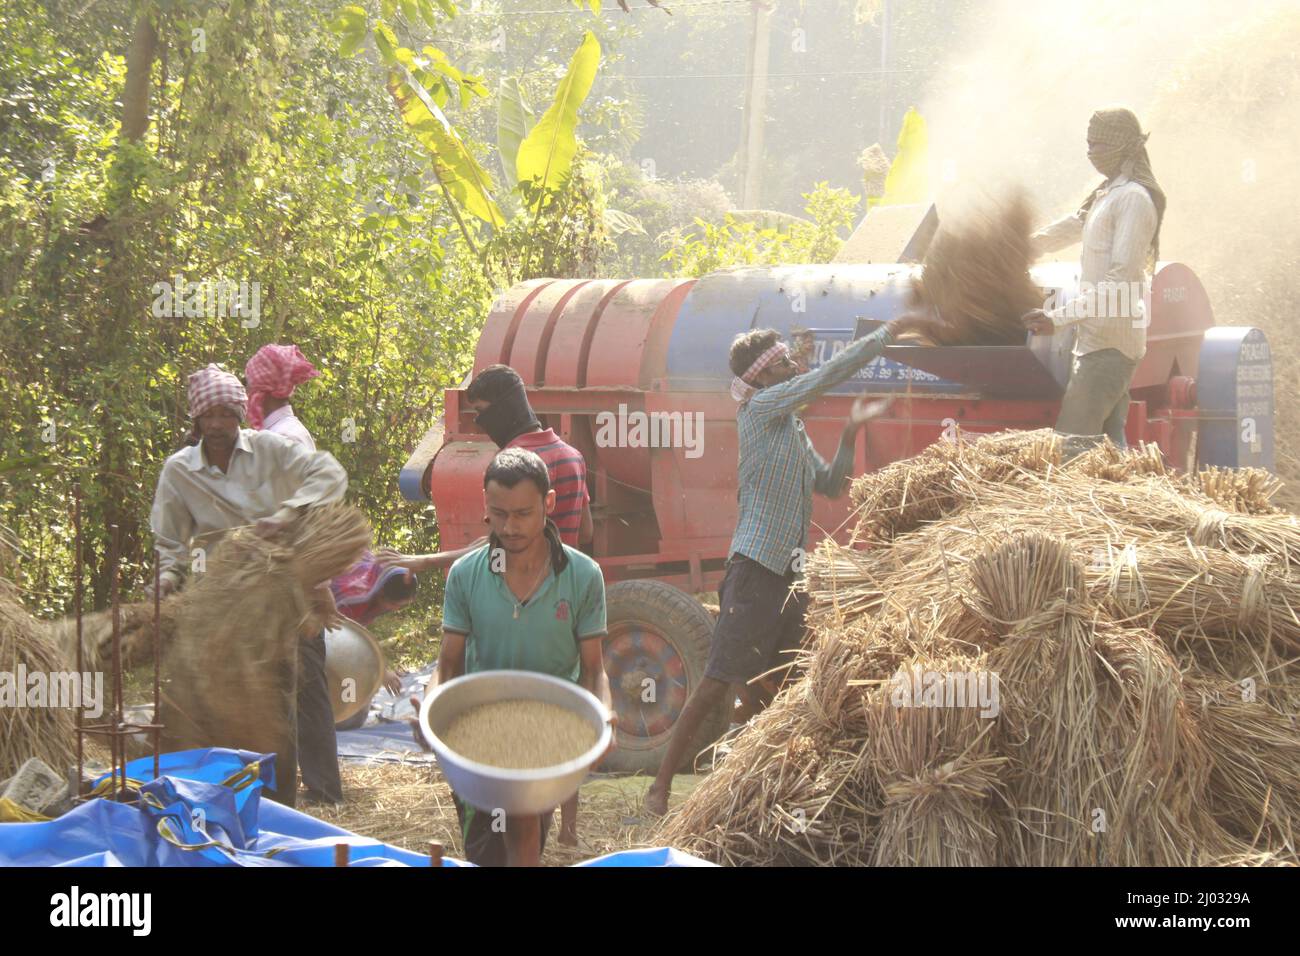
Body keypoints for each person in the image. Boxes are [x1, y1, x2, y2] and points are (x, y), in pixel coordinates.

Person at [643, 316, 913, 817]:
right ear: (764, 375)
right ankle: (659, 788)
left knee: (786, 683)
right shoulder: (760, 408)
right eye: (785, 361)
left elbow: (831, 484)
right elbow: (820, 380)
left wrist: (851, 432)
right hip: (754, 568)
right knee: (718, 680)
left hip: (791, 574)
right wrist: (884, 335)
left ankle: (757, 786)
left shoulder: (791, 427)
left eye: (792, 358)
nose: (794, 365)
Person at [387, 363, 593, 844]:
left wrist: (423, 560)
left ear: (502, 411)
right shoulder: (570, 454)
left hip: (519, 605)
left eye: (482, 415)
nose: (480, 427)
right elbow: (582, 533)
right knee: (562, 714)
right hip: (560, 610)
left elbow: (495, 546)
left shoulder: (515, 462)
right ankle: (566, 829)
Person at [149, 364, 349, 806]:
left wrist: (287, 515)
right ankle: (232, 803)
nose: (218, 424)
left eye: (226, 414)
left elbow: (330, 475)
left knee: (286, 699)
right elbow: (170, 542)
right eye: (209, 415)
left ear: (241, 414)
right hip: (220, 607)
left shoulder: (271, 451)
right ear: (196, 420)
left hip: (280, 595)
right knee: (225, 704)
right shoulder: (179, 472)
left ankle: (283, 808)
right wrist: (167, 577)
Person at [433, 448, 613, 866]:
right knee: (489, 847)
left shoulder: (582, 576)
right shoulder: (466, 574)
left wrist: (603, 716)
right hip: (477, 736)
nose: (510, 527)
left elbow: (593, 669)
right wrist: (432, 708)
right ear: (485, 505)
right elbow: (448, 663)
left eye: (523, 514)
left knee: (526, 831)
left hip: (547, 735)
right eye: (499, 514)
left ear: (548, 505)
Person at [1022, 107, 1166, 451]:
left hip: (1110, 347)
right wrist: (1022, 247)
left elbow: (1120, 282)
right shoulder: (1107, 194)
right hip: (1096, 341)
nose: (1091, 154)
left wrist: (1056, 318)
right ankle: (1131, 500)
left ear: (1122, 146)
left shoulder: (1133, 199)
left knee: (1073, 446)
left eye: (1099, 145)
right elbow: (1076, 224)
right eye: (1088, 145)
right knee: (1110, 444)